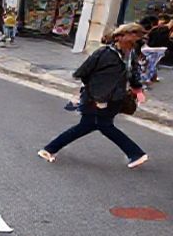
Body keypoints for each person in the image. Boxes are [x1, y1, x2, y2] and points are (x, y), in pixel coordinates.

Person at [38, 23, 148, 169]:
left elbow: (133, 75)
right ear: (119, 37)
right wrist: (96, 91)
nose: (135, 41)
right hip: (97, 98)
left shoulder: (130, 55)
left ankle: (49, 149)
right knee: (95, 125)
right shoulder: (104, 53)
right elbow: (82, 72)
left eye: (137, 38)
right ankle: (135, 153)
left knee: (95, 124)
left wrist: (138, 91)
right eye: (132, 37)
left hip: (113, 99)